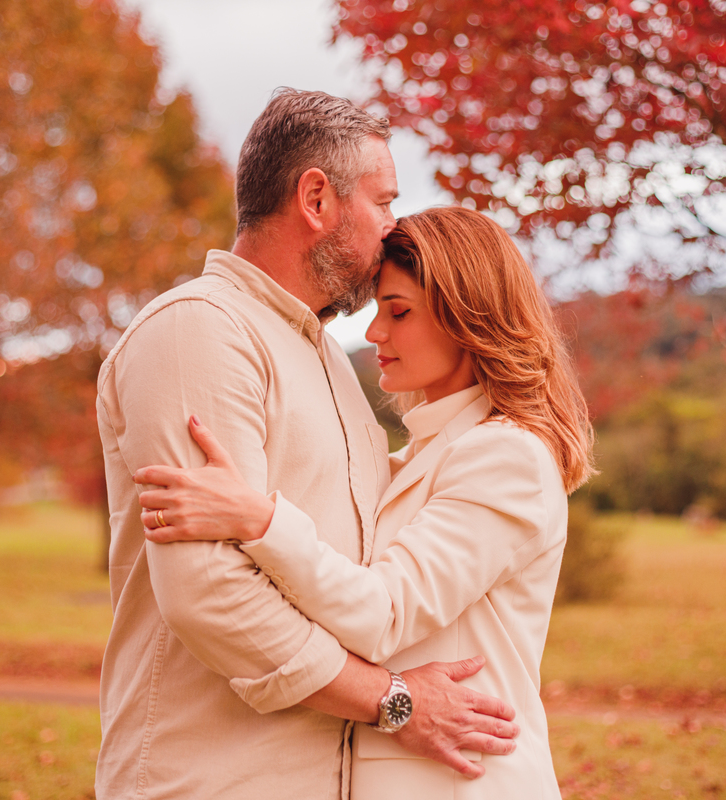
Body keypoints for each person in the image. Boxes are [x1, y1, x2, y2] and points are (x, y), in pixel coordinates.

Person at [94, 91, 520, 800]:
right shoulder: (200, 332)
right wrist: (392, 699)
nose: (394, 227)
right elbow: (209, 595)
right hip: (210, 781)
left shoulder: (324, 355)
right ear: (316, 198)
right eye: (385, 202)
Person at [136, 206, 596, 799]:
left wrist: (260, 518)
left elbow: (382, 616)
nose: (376, 333)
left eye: (399, 311)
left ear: (467, 319)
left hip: (462, 782)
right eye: (379, 310)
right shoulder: (420, 459)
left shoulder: (507, 459)